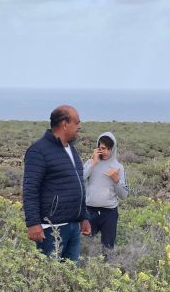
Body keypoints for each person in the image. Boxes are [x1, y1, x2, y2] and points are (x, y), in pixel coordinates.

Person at [22, 105, 91, 262]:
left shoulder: (71, 150)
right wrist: (33, 223)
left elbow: (78, 185)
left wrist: (84, 217)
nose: (79, 127)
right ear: (65, 124)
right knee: (49, 277)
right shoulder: (38, 151)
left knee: (70, 277)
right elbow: (30, 190)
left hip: (73, 226)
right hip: (52, 229)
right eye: (77, 122)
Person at [83, 131, 129, 252]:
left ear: (113, 149)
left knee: (108, 249)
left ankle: (107, 270)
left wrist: (116, 180)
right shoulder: (90, 163)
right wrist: (93, 163)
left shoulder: (119, 167)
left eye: (108, 149)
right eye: (102, 148)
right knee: (84, 246)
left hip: (109, 213)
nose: (105, 152)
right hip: (89, 211)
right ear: (98, 147)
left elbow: (124, 195)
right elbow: (79, 179)